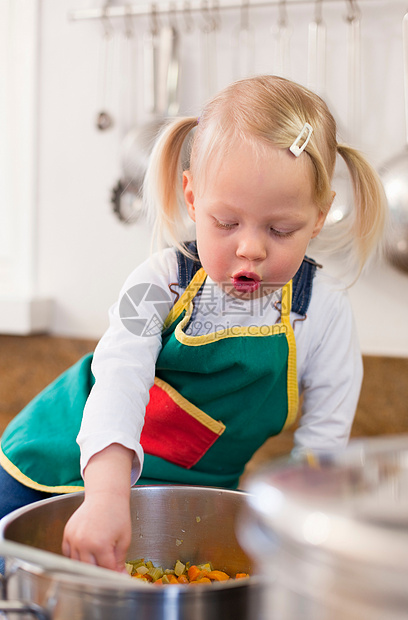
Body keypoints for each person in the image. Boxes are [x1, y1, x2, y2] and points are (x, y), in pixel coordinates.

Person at [0, 75, 387, 573]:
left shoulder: (325, 315)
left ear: (319, 216)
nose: (251, 247)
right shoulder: (155, 284)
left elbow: (322, 451)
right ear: (191, 197)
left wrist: (304, 543)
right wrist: (104, 495)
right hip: (61, 466)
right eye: (226, 223)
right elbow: (119, 380)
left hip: (186, 498)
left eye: (280, 229)